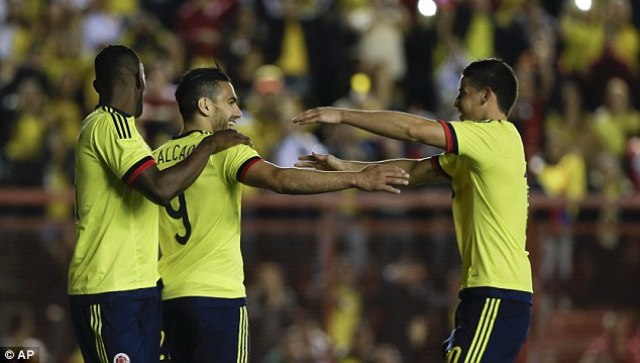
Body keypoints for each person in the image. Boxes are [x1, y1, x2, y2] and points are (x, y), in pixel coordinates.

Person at [152, 66, 410, 363]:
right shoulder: (224, 148)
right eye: (231, 102)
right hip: (216, 298)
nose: (237, 112)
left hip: (167, 297)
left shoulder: (156, 159)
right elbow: (280, 180)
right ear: (205, 106)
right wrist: (355, 178)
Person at [293, 58, 533, 362]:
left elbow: (414, 129)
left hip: (497, 292)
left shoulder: (493, 136)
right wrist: (349, 168)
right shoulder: (481, 150)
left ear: (486, 96)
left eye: (463, 93)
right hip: (491, 293)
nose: (457, 103)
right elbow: (414, 172)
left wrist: (341, 115)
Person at [68, 45, 251, 363]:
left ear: (97, 86)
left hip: (142, 286)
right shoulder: (107, 125)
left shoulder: (131, 135)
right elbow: (159, 188)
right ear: (141, 81)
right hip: (108, 287)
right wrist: (208, 145)